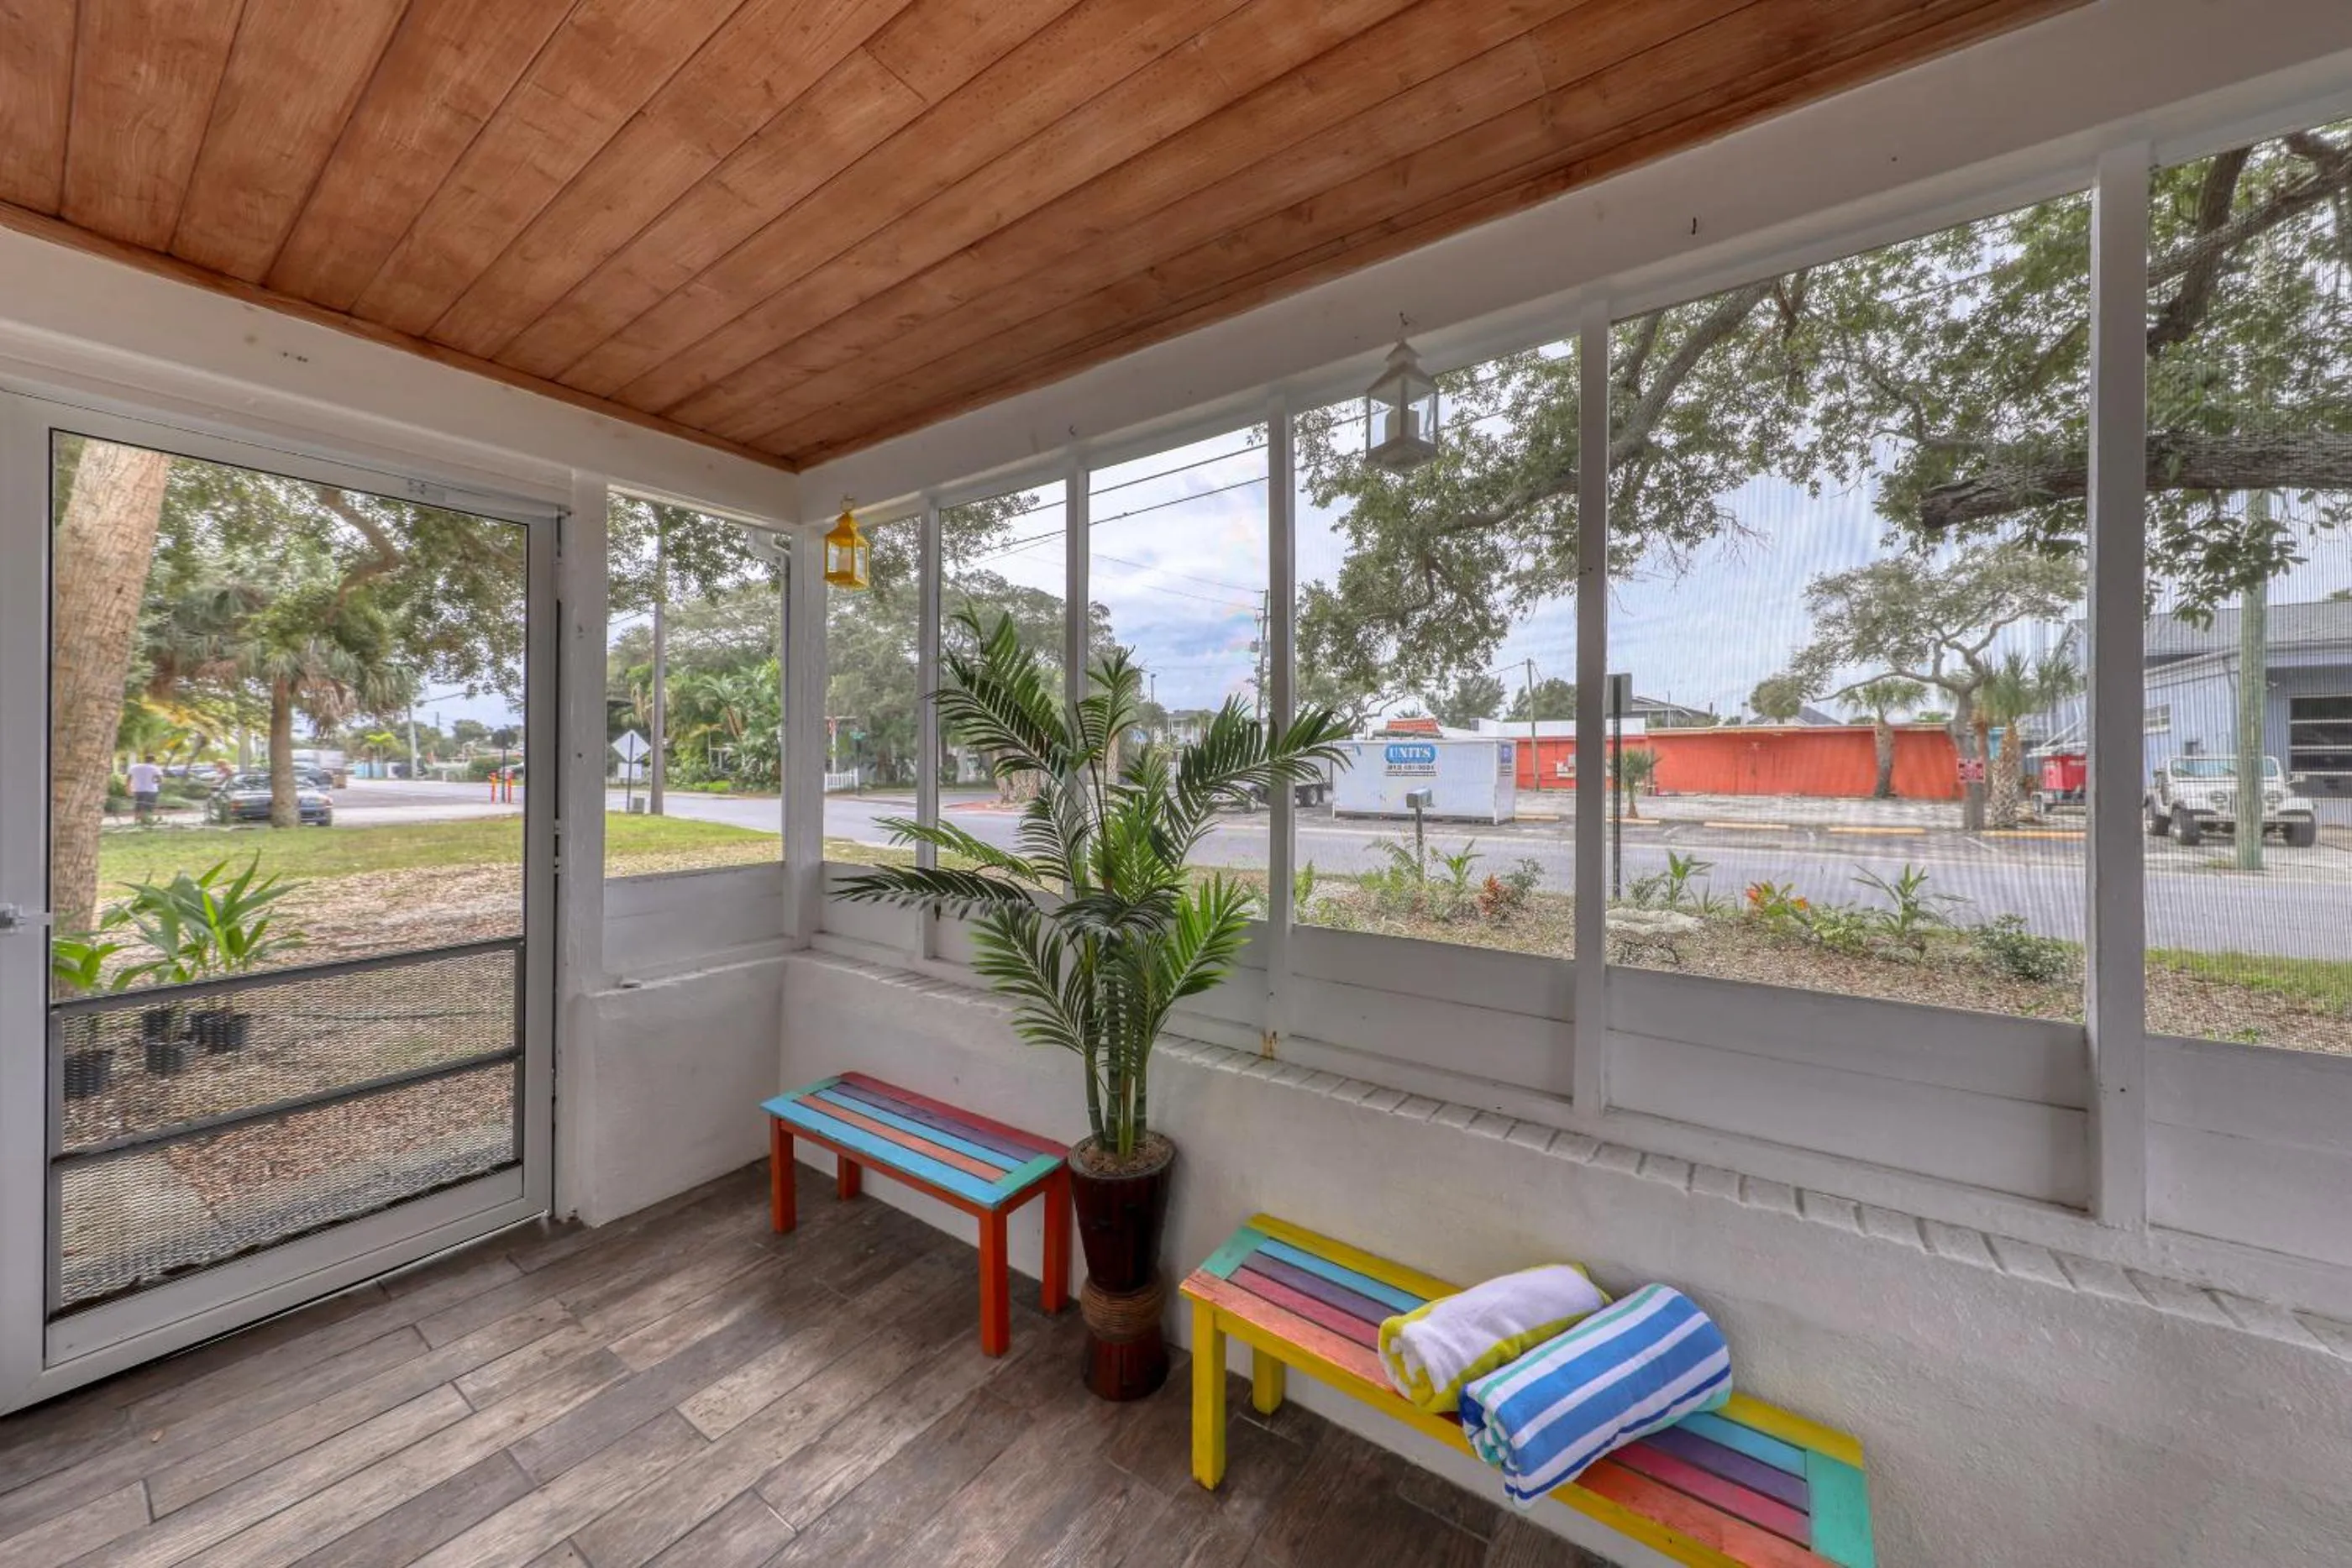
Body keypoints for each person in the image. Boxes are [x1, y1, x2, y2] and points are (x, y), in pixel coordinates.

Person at [126, 755, 164, 825]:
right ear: (153, 761)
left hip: (138, 790)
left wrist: (128, 789)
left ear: (145, 759)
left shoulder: (134, 767)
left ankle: (137, 821)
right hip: (151, 790)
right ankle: (147, 821)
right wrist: (155, 782)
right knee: (149, 807)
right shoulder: (155, 768)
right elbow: (160, 780)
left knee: (138, 806)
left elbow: (128, 779)